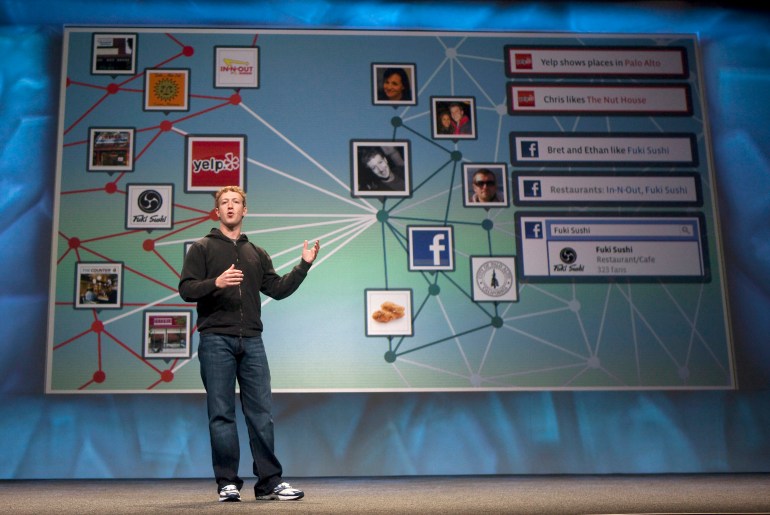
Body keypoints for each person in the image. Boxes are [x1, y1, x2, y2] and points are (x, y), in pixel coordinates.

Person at [178, 185, 320, 503]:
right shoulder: (201, 248)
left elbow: (278, 289)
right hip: (216, 339)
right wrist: (215, 282)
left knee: (261, 414)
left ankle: (269, 483)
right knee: (221, 414)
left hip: (252, 341)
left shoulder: (256, 252)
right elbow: (186, 289)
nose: (230, 206)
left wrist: (303, 266)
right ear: (217, 211)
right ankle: (227, 482)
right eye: (224, 202)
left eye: (236, 202)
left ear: (245, 210)